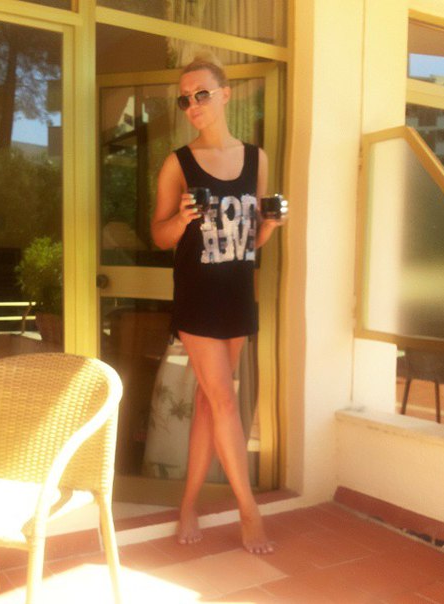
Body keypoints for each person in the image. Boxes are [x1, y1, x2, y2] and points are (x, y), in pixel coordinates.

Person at [151, 53, 286, 555]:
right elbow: (159, 235)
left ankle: (188, 503)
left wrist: (270, 226)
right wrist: (183, 219)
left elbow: (249, 241)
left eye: (201, 94)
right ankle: (249, 511)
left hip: (237, 295)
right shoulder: (177, 163)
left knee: (212, 403)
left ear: (226, 94)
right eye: (184, 99)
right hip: (198, 297)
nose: (193, 105)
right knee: (225, 400)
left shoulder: (256, 159)